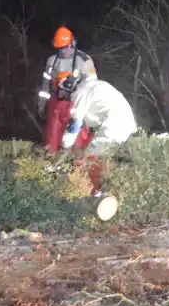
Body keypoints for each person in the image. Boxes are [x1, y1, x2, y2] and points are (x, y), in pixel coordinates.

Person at [59, 75, 138, 220]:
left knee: (90, 159)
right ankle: (103, 192)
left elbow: (74, 124)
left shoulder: (80, 93)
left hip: (114, 125)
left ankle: (95, 196)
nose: (65, 98)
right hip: (123, 122)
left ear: (69, 88)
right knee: (100, 159)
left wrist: (64, 146)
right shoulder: (92, 85)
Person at [36, 26, 97, 154]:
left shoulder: (84, 60)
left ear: (72, 44)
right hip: (55, 105)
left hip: (75, 104)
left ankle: (78, 169)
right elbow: (45, 86)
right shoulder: (52, 61)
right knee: (51, 141)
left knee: (78, 140)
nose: (63, 51)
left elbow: (93, 86)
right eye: (60, 48)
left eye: (65, 47)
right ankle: (51, 165)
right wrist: (42, 105)